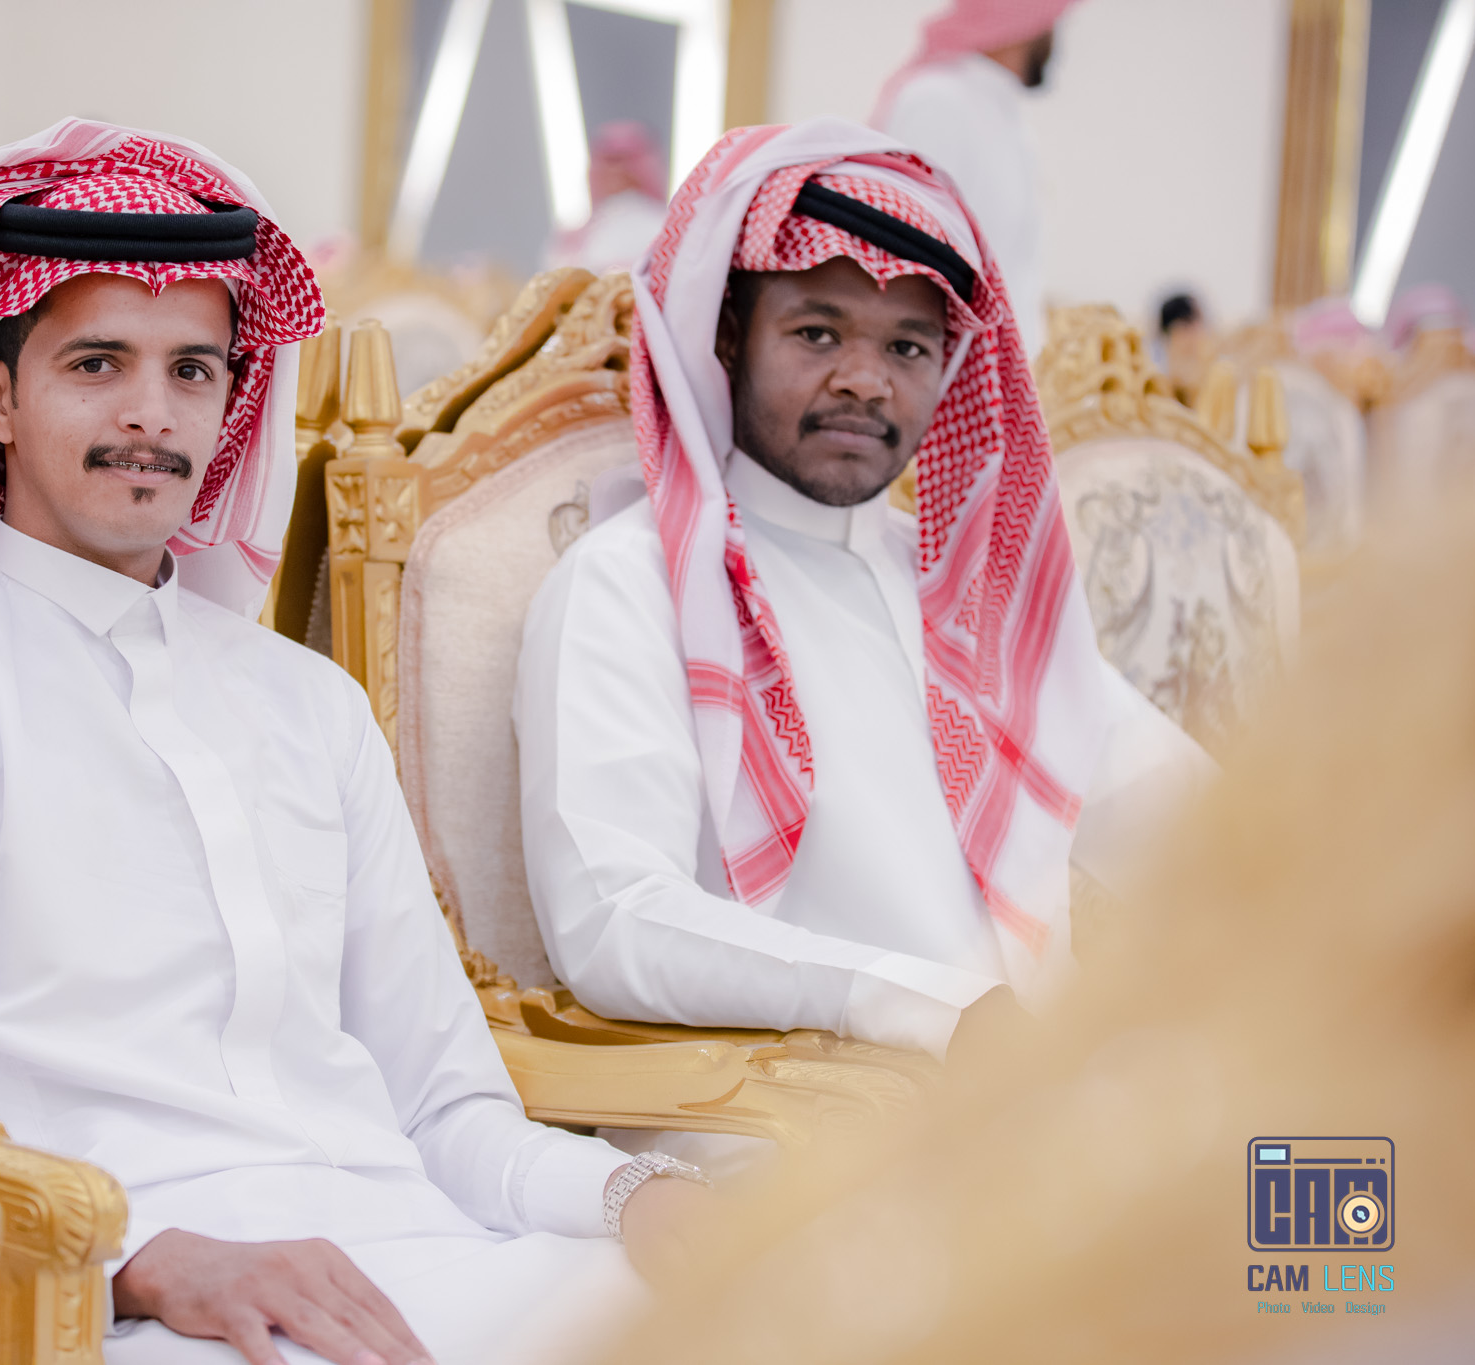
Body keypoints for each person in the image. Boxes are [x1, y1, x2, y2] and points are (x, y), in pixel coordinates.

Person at [0, 121, 706, 1365]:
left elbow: (445, 1112)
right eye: (97, 363)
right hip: (101, 1314)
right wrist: (142, 1268)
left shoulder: (309, 706)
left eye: (192, 371)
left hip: (417, 1261)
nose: (151, 415)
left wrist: (635, 1197)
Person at [513, 120, 1210, 1072]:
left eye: (908, 347)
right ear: (728, 337)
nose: (865, 382)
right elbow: (616, 919)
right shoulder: (630, 583)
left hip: (1035, 1099)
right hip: (796, 1121)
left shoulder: (966, 590)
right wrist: (925, 1008)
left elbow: (1181, 813)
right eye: (817, 333)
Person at [873, 0, 1078, 360]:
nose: (1053, 39)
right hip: (953, 377)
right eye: (1050, 23)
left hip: (1003, 373)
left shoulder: (1004, 118)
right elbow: (912, 262)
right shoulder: (938, 103)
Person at [544, 121, 670, 275]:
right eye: (609, 161)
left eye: (622, 160)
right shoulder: (574, 236)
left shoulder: (661, 226)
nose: (615, 170)